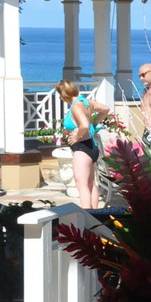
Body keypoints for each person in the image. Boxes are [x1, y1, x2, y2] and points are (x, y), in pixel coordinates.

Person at [55, 80, 109, 209]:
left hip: (82, 148)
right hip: (90, 146)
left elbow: (84, 125)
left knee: (82, 185)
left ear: (64, 94)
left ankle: (86, 217)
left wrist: (76, 136)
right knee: (91, 184)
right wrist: (95, 123)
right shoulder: (86, 102)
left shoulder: (76, 105)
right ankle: (95, 215)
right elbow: (105, 109)